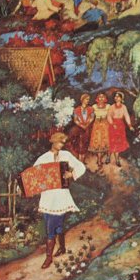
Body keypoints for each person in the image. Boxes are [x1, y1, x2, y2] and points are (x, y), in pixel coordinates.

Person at [33, 132, 86, 269]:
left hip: (61, 196)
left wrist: (71, 174)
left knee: (51, 228)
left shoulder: (66, 155)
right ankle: (62, 248)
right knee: (56, 225)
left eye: (63, 143)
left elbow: (81, 167)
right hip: (48, 197)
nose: (62, 145)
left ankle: (48, 258)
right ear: (53, 142)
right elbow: (33, 175)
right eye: (60, 142)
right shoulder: (43, 158)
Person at [107, 91, 133, 167]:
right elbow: (109, 116)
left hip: (120, 126)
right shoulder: (112, 107)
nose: (116, 98)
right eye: (115, 96)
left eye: (118, 96)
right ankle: (108, 156)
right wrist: (112, 124)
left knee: (118, 143)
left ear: (121, 98)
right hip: (113, 126)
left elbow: (126, 116)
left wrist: (129, 125)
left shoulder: (124, 107)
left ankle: (117, 160)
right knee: (111, 142)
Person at [69, 93, 94, 160]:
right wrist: (81, 125)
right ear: (82, 100)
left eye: (88, 99)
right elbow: (75, 120)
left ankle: (83, 159)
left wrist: (87, 124)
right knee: (79, 142)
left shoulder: (91, 109)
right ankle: (79, 158)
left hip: (87, 127)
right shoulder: (76, 110)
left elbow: (91, 118)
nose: (88, 101)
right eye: (86, 99)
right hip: (79, 127)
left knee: (85, 142)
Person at [88, 93, 111, 168]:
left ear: (105, 98)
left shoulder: (108, 106)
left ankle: (108, 156)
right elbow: (91, 117)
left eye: (103, 97)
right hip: (97, 126)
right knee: (98, 142)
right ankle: (99, 160)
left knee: (107, 141)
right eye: (99, 97)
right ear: (97, 98)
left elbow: (110, 116)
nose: (101, 98)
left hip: (106, 125)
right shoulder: (94, 106)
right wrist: (87, 123)